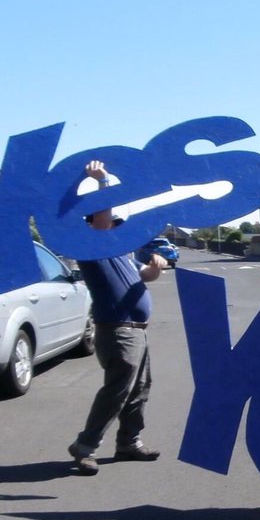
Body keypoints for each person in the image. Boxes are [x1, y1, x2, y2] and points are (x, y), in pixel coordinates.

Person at [67, 160, 168, 476]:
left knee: (140, 388)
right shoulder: (92, 246)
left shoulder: (121, 253)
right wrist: (103, 182)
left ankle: (128, 443)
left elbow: (143, 276)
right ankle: (85, 446)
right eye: (114, 222)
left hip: (136, 329)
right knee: (118, 389)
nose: (120, 228)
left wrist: (154, 269)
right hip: (117, 329)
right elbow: (101, 214)